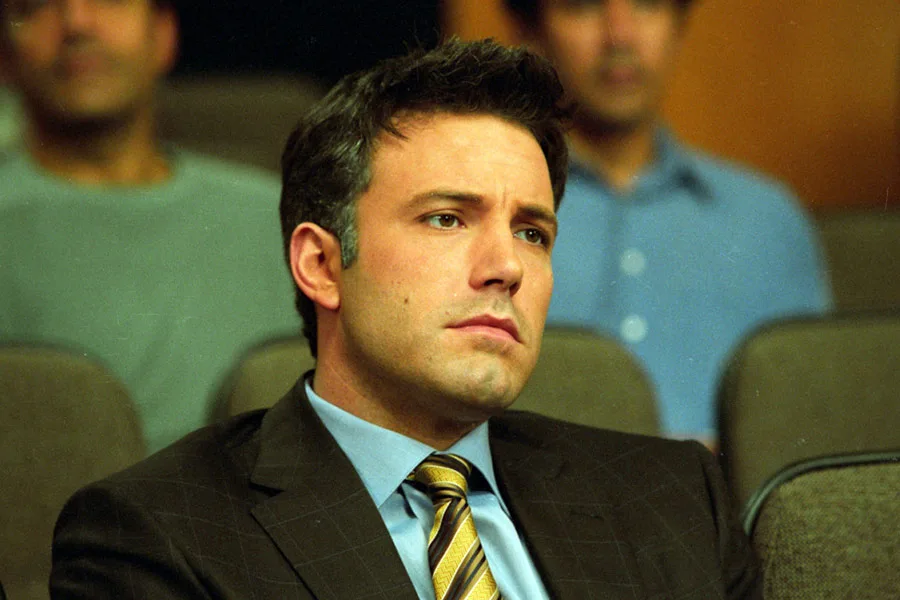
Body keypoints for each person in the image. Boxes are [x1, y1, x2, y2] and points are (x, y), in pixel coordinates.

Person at [50, 39, 761, 599]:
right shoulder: (156, 536)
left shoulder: (674, 497)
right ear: (321, 265)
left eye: (532, 232)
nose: (506, 266)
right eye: (447, 218)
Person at [504, 0, 832, 445]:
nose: (620, 36)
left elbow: (811, 426)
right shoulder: (493, 215)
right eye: (584, 5)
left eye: (647, 3)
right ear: (531, 30)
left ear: (678, 27)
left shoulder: (768, 219)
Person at [0, 0, 298, 452]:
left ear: (162, 34)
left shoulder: (281, 215)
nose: (76, 22)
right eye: (35, 5)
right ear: (5, 53)